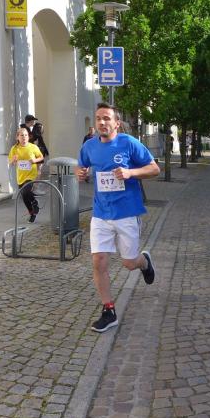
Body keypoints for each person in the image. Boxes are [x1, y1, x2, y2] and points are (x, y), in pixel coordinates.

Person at [75, 102, 160, 332]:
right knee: (99, 261)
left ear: (116, 123)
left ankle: (144, 262)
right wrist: (80, 173)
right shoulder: (89, 146)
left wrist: (131, 172)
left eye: (107, 118)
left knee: (129, 263)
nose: (102, 122)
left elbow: (154, 168)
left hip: (127, 212)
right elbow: (80, 166)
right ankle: (109, 310)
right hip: (101, 213)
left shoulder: (129, 143)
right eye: (98, 118)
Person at [9, 127, 44, 222]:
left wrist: (34, 160)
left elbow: (41, 157)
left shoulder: (33, 147)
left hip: (31, 174)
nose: (24, 137)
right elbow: (10, 162)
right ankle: (32, 213)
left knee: (26, 191)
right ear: (17, 137)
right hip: (21, 176)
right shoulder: (14, 148)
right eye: (22, 135)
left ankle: (34, 202)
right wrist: (13, 160)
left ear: (28, 137)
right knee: (24, 197)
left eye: (26, 135)